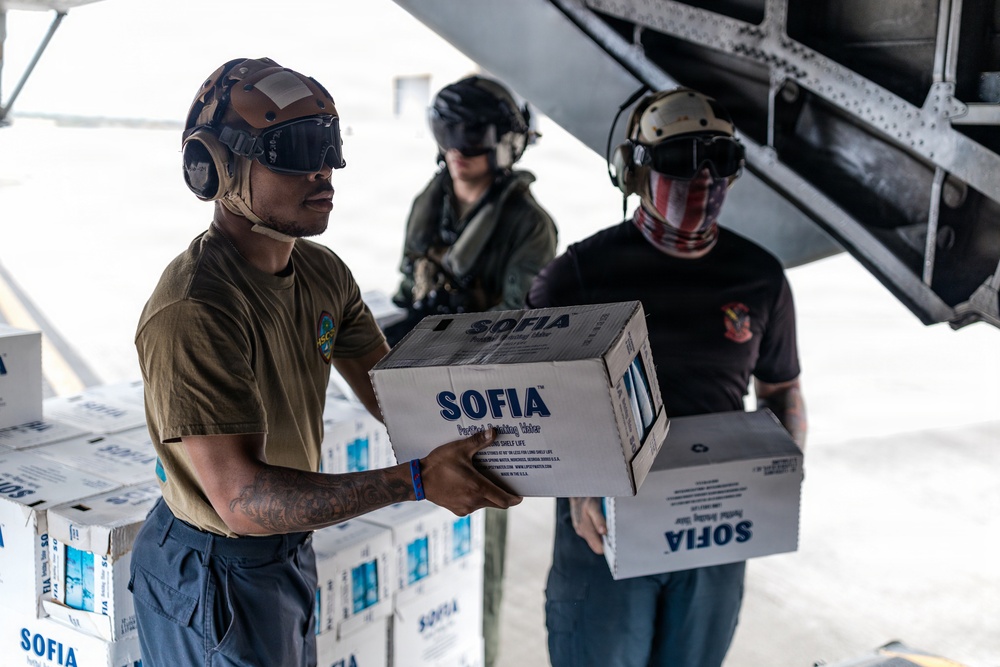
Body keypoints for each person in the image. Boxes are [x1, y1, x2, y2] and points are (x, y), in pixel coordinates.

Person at [128, 57, 521, 667]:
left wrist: (518, 438)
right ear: (216, 167)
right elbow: (242, 499)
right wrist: (415, 480)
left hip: (280, 550)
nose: (324, 170)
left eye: (330, 146)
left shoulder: (322, 272)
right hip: (216, 567)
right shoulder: (196, 309)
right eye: (294, 150)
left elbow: (394, 395)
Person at [527, 88, 807, 667]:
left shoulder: (759, 277)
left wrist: (779, 475)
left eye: (720, 161)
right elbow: (541, 408)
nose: (702, 181)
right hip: (602, 524)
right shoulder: (577, 278)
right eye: (679, 161)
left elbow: (780, 390)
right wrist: (580, 491)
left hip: (715, 530)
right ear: (635, 171)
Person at [383, 74, 558, 667]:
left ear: (506, 144)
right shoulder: (427, 205)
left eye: (475, 138)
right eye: (449, 135)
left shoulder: (527, 225)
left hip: (488, 410)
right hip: (426, 390)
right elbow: (410, 286)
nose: (460, 150)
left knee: (479, 551)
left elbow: (519, 328)